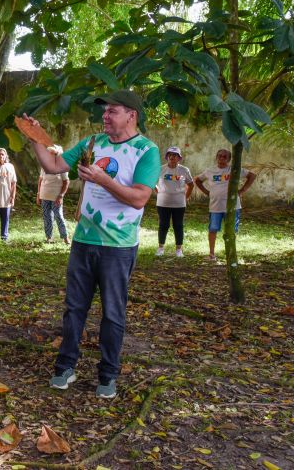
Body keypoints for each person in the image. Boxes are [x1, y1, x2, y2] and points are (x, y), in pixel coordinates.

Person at [21, 89, 161, 399]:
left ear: (132, 115)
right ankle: (65, 366)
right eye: (105, 111)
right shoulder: (92, 143)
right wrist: (34, 137)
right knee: (74, 308)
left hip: (119, 246)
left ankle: (108, 375)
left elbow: (139, 198)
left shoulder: (146, 150)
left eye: (112, 111)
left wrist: (102, 179)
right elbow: (54, 165)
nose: (105, 116)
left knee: (113, 312)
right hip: (84, 240)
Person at [194, 149, 256, 261]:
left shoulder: (234, 169)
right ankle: (211, 254)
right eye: (220, 156)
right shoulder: (210, 171)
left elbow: (252, 176)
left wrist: (242, 190)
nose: (222, 158)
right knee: (212, 229)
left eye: (225, 156)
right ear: (216, 157)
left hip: (232, 207)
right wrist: (207, 192)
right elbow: (197, 180)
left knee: (231, 232)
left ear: (229, 159)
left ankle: (231, 255)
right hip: (215, 207)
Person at [155, 146, 194, 257]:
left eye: (175, 155)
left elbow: (191, 185)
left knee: (178, 226)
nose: (172, 157)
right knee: (163, 225)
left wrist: (186, 197)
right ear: (167, 157)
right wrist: (159, 192)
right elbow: (152, 181)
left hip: (179, 204)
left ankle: (178, 250)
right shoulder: (160, 169)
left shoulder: (184, 170)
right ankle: (160, 248)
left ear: (179, 158)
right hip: (163, 203)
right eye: (170, 155)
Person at [37, 145, 70, 244]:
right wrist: (38, 194)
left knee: (59, 216)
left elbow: (66, 182)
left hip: (56, 196)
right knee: (47, 217)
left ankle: (65, 237)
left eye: (53, 154)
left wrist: (61, 196)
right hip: (44, 195)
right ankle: (49, 237)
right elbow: (40, 180)